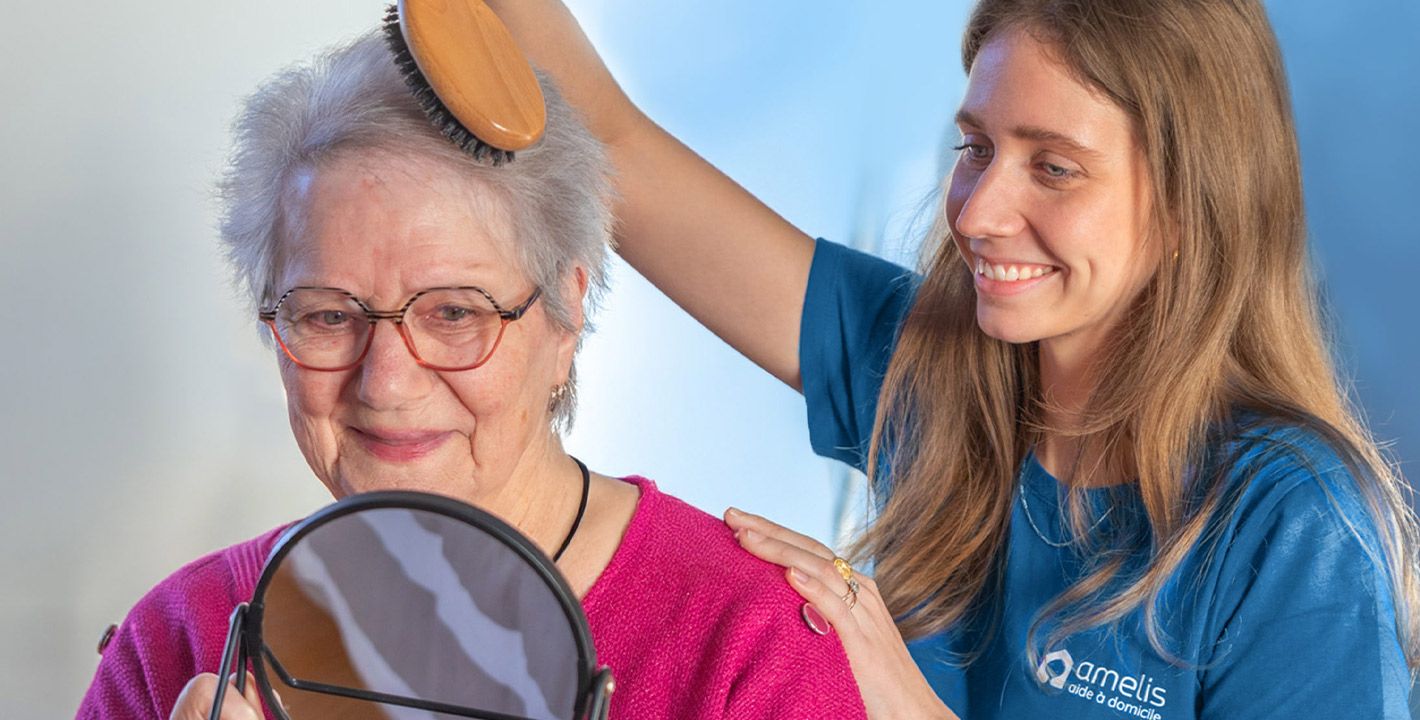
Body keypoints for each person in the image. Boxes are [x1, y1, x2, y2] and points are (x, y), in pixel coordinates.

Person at [480, 0, 1420, 717]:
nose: (974, 213)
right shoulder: (933, 371)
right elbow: (610, 142)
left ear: (1190, 203)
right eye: (976, 148)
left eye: (1052, 166)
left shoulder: (1293, 528)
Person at [75, 30, 867, 720]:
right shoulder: (175, 641)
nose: (384, 383)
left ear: (566, 316)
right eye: (328, 315)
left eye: (454, 313)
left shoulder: (751, 647)